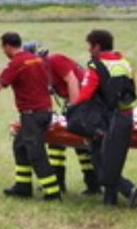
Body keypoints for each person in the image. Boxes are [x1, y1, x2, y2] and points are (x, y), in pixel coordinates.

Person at [0, 32, 62, 200]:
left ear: (6, 46)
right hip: (44, 112)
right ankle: (23, 186)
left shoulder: (17, 63)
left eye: (2, 47)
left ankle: (53, 192)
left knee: (36, 153)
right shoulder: (37, 59)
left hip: (32, 115)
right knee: (20, 146)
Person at [73, 29, 137, 207]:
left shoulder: (95, 66)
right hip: (126, 116)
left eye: (90, 46)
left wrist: (74, 112)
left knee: (99, 157)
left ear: (97, 46)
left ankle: (129, 190)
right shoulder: (126, 63)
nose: (89, 50)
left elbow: (85, 94)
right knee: (112, 158)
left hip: (105, 118)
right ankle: (110, 199)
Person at [23, 41, 100, 194]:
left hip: (87, 102)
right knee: (56, 140)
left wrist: (74, 109)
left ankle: (93, 184)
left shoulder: (55, 60)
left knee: (79, 141)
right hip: (78, 103)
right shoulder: (42, 70)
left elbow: (72, 81)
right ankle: (59, 180)